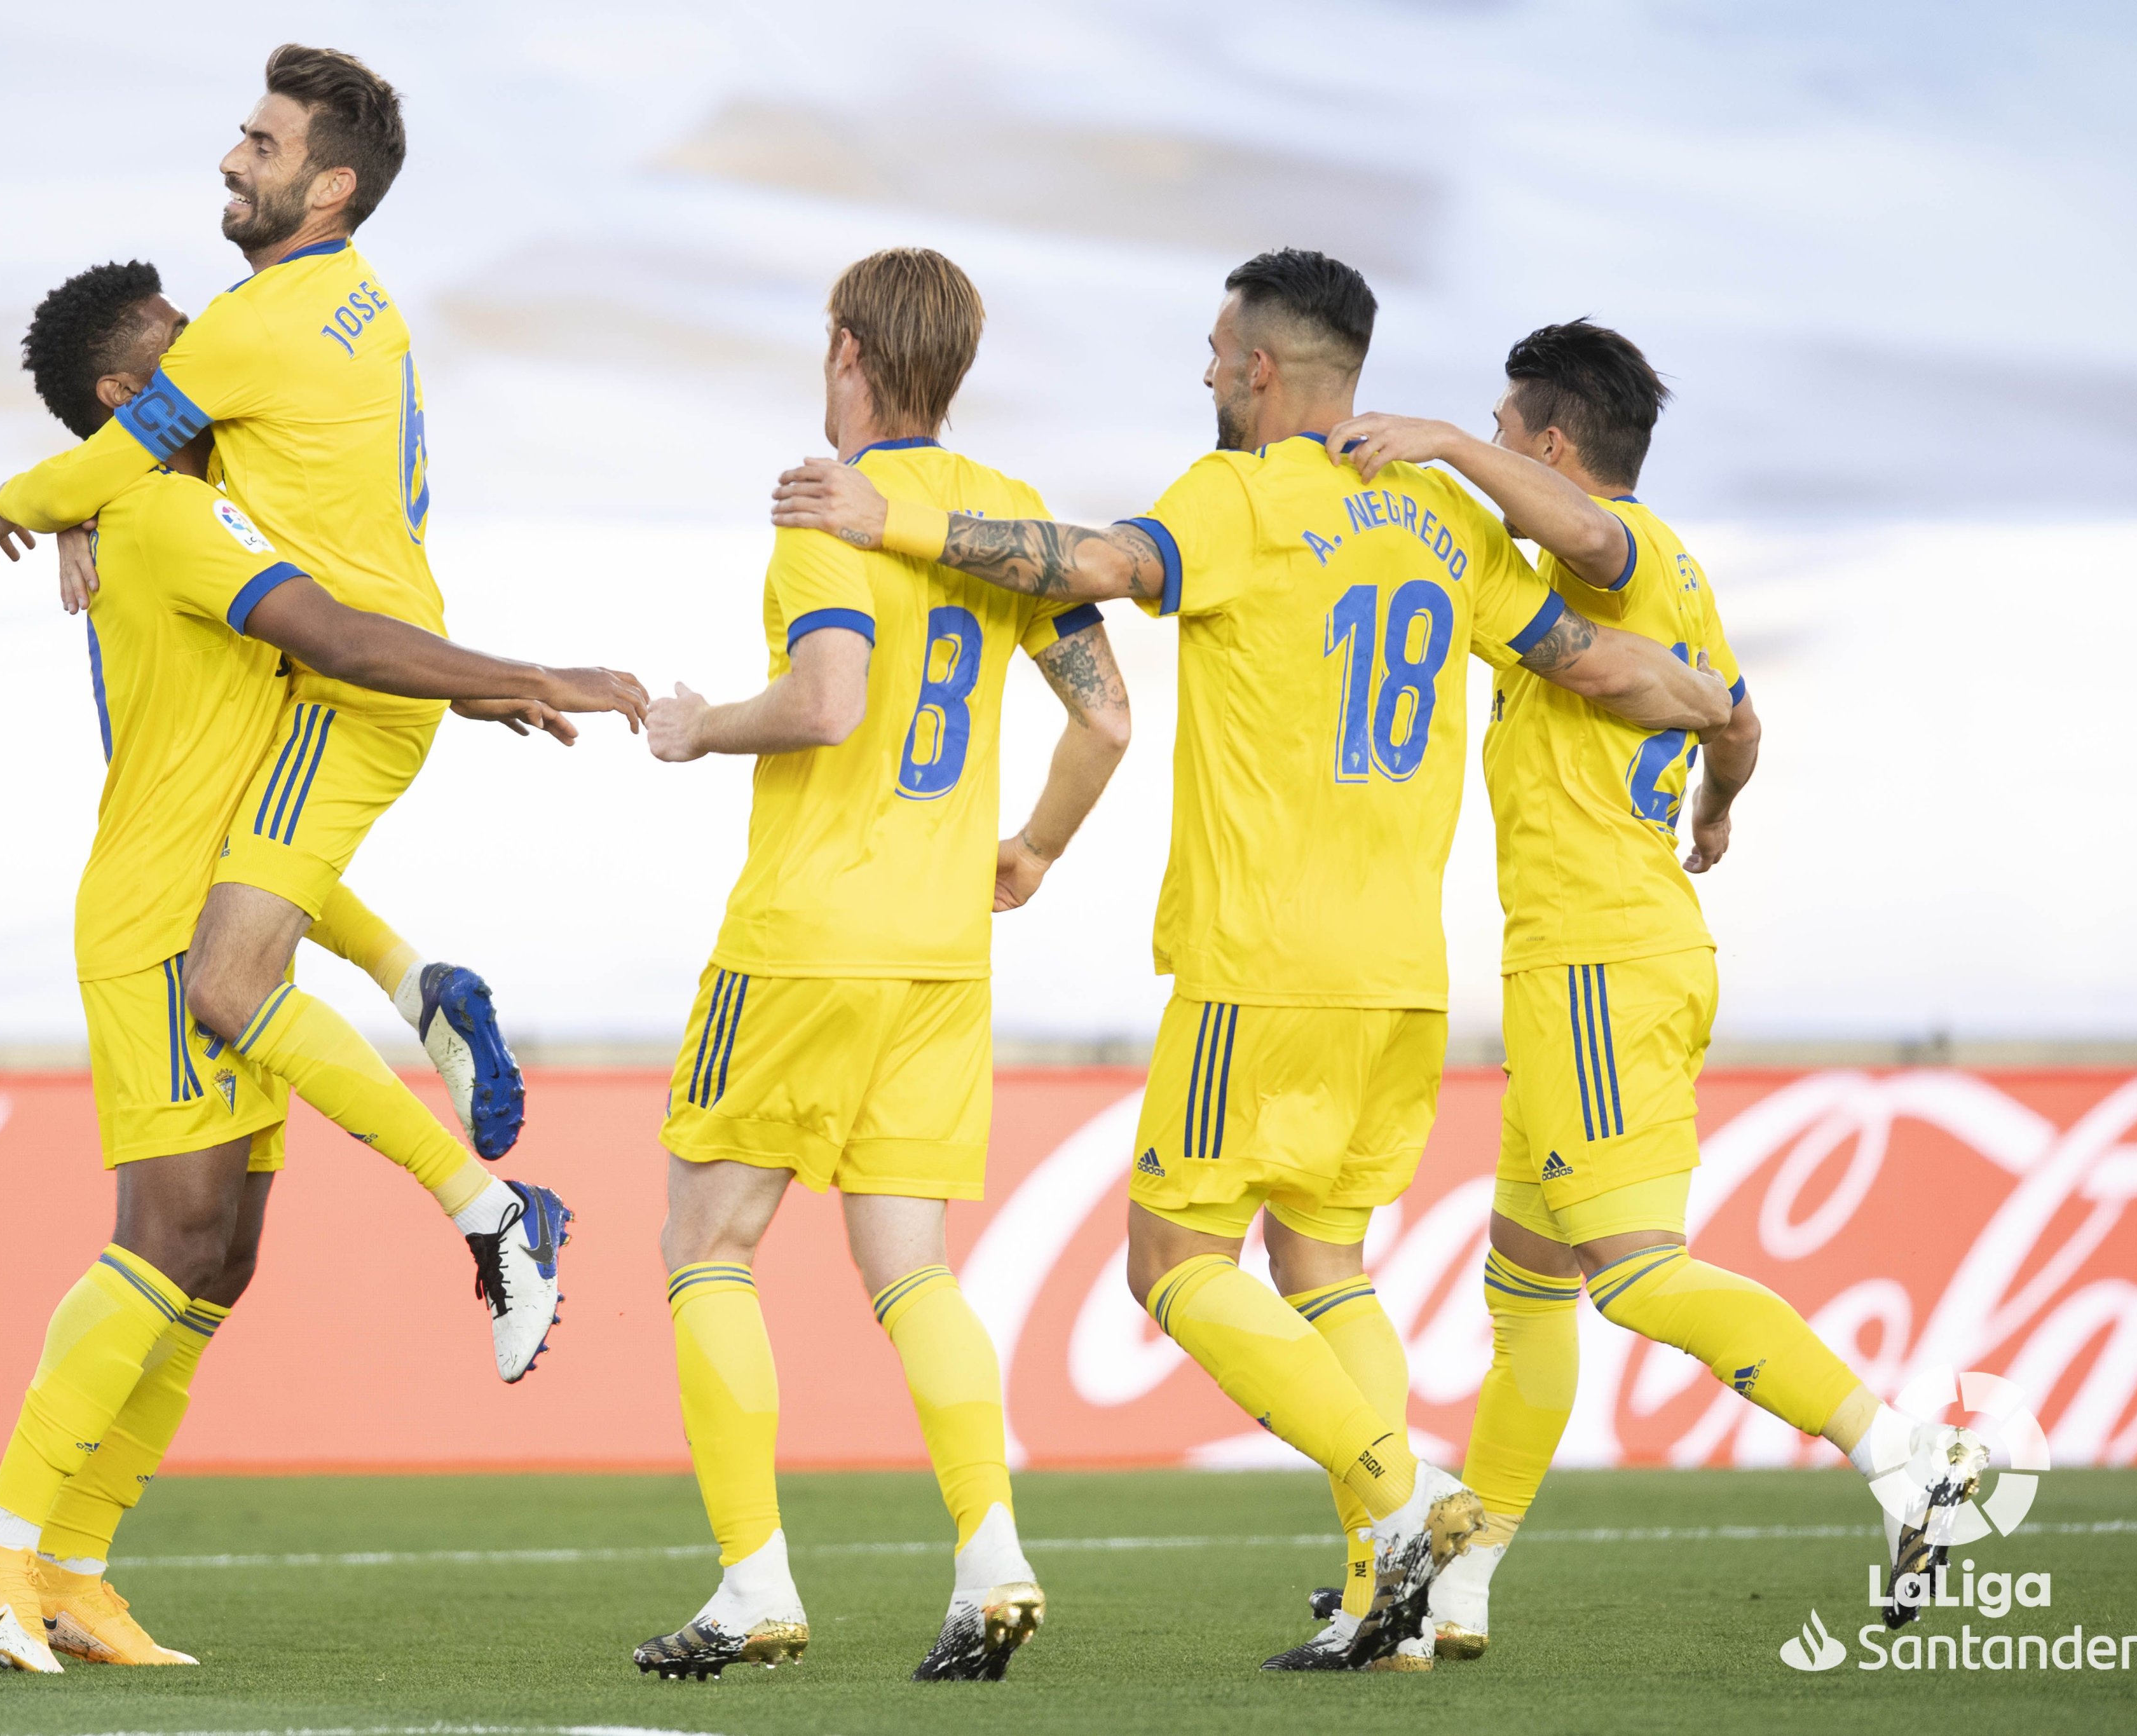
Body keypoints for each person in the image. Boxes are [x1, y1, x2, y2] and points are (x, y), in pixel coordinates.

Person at [771, 248, 1731, 1672]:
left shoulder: (1234, 496)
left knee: (1169, 1262)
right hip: (1403, 980)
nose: (1209, 372)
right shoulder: (1440, 518)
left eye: (1218, 353)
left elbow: (1092, 565)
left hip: (1261, 966)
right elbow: (1592, 662)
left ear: (1261, 369)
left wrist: (891, 515)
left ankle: (1401, 1495)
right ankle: (1378, 1600)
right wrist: (1719, 710)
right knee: (1324, 1263)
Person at [0, 261, 646, 1674]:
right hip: (160, 925)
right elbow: (337, 634)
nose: (210, 353)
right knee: (164, 1243)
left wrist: (56, 498)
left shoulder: (175, 506)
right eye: (178, 345)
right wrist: (526, 674)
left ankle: (75, 1567)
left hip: (210, 897)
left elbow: (325, 671)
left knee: (221, 1261)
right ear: (127, 395)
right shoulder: (165, 515)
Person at [1317, 320, 1982, 1655]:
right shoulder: (1678, 569)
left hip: (1597, 963)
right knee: (1525, 1293)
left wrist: (1436, 444)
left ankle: (1905, 1456)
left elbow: (1586, 536)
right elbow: (1739, 721)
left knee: (1631, 1277)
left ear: (1554, 444)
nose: (1488, 443)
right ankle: (1460, 1584)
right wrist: (1717, 811)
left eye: (1502, 429)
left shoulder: (1614, 549)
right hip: (1613, 954)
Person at [633, 248, 1133, 1683]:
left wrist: (697, 728)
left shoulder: (824, 505)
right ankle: (991, 1557)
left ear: (848, 350)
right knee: (912, 1273)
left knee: (706, 1248)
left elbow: (827, 700)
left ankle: (752, 1583)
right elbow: (1106, 720)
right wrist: (1031, 850)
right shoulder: (1008, 517)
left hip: (806, 940)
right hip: (941, 956)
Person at [0, 46, 531, 1201]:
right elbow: (169, 463)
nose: (233, 160)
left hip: (321, 706)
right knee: (208, 1256)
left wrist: (39, 499)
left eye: (262, 143)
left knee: (224, 1022)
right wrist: (81, 499)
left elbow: (139, 466)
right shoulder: (359, 300)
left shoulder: (225, 385)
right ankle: (418, 990)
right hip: (331, 703)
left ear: (332, 185)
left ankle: (484, 1209)